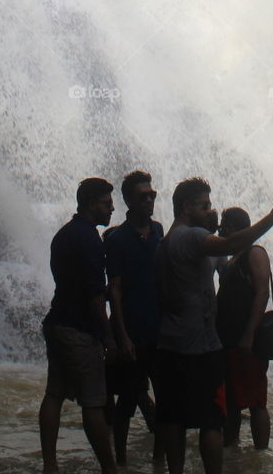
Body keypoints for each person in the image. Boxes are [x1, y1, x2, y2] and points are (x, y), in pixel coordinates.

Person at [154, 178, 273, 474]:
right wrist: (271, 218)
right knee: (210, 421)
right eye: (204, 206)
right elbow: (231, 244)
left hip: (169, 343)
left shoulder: (164, 244)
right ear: (185, 208)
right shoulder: (190, 237)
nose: (210, 213)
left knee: (172, 418)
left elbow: (227, 262)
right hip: (199, 347)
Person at [39, 176, 118, 474]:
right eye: (106, 204)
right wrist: (109, 338)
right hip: (80, 331)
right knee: (93, 402)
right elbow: (93, 297)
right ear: (90, 204)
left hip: (57, 321)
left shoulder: (64, 234)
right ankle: (109, 468)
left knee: (54, 393)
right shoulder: (90, 241)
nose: (111, 209)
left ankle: (50, 464)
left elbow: (70, 283)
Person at [105, 170, 164, 465]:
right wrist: (121, 336)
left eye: (152, 195)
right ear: (128, 200)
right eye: (143, 197)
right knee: (127, 400)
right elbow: (114, 289)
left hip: (160, 330)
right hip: (132, 331)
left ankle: (160, 460)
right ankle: (121, 461)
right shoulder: (116, 240)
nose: (149, 200)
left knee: (164, 399)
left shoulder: (159, 231)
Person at [216, 207, 272, 448]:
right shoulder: (232, 258)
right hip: (228, 340)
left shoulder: (254, 253)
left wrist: (248, 336)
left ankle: (261, 454)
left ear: (232, 227)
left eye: (223, 225)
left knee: (256, 401)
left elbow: (262, 294)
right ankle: (232, 451)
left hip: (247, 342)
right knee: (232, 400)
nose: (219, 230)